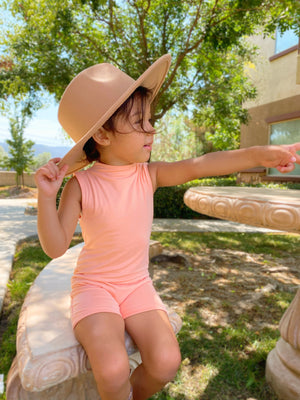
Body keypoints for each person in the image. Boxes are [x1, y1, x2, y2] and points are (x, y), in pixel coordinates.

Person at [35, 54, 300, 400]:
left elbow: (201, 164)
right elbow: (55, 248)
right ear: (102, 133)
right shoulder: (80, 185)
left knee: (166, 362)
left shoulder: (149, 174)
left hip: (136, 285)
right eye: (139, 122)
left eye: (150, 119)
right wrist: (46, 197)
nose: (151, 128)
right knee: (113, 369)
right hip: (94, 287)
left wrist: (258, 155)